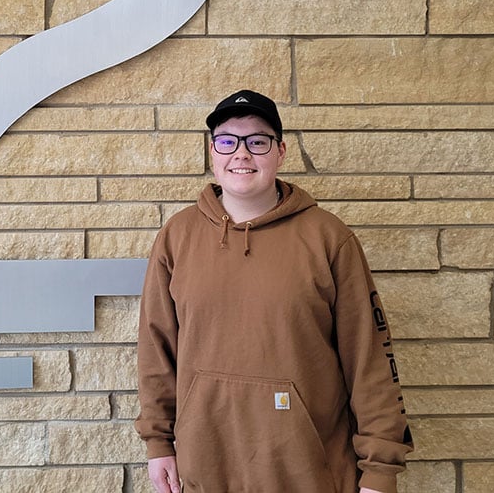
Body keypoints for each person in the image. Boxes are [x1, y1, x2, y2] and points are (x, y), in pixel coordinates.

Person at [135, 90, 414, 493]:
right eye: (228, 141)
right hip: (206, 467)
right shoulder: (177, 237)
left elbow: (368, 358)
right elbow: (156, 350)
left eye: (258, 142)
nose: (241, 154)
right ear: (212, 152)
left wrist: (380, 469)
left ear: (280, 152)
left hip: (309, 470)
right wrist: (158, 442)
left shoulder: (328, 238)